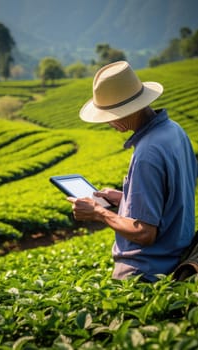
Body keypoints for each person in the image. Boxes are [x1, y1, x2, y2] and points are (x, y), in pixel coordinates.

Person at [67, 61, 197, 282]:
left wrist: (99, 213)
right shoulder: (175, 131)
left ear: (124, 111)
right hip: (176, 255)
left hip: (145, 274)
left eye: (109, 114)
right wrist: (124, 199)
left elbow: (145, 233)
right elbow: (173, 194)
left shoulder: (147, 152)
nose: (108, 121)